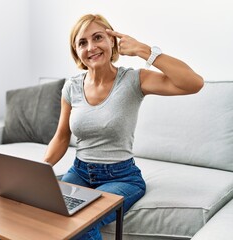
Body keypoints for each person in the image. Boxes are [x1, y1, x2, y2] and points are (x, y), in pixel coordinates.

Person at [43, 14, 204, 240]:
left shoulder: (133, 80)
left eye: (98, 37)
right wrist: (38, 169)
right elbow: (61, 137)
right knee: (43, 212)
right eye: (82, 42)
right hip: (79, 172)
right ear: (76, 51)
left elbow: (193, 83)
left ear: (112, 41)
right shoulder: (71, 87)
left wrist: (143, 50)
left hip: (121, 178)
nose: (91, 47)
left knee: (80, 222)